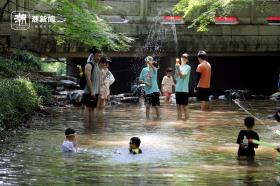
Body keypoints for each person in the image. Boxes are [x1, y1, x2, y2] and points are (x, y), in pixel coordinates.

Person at [83, 47, 101, 121]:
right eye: (97, 55)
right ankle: (87, 127)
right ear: (93, 56)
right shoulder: (89, 65)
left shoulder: (97, 66)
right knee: (88, 109)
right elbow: (88, 79)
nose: (98, 57)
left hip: (95, 92)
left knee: (93, 109)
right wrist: (92, 91)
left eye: (100, 56)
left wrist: (98, 92)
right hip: (89, 92)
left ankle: (91, 127)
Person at [175, 53, 191, 120]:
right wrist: (177, 69)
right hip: (177, 89)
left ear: (187, 60)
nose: (183, 57)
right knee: (178, 107)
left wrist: (178, 69)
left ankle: (187, 122)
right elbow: (175, 77)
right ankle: (179, 121)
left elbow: (182, 76)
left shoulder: (188, 67)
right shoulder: (178, 66)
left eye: (185, 57)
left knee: (185, 107)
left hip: (184, 90)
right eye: (182, 56)